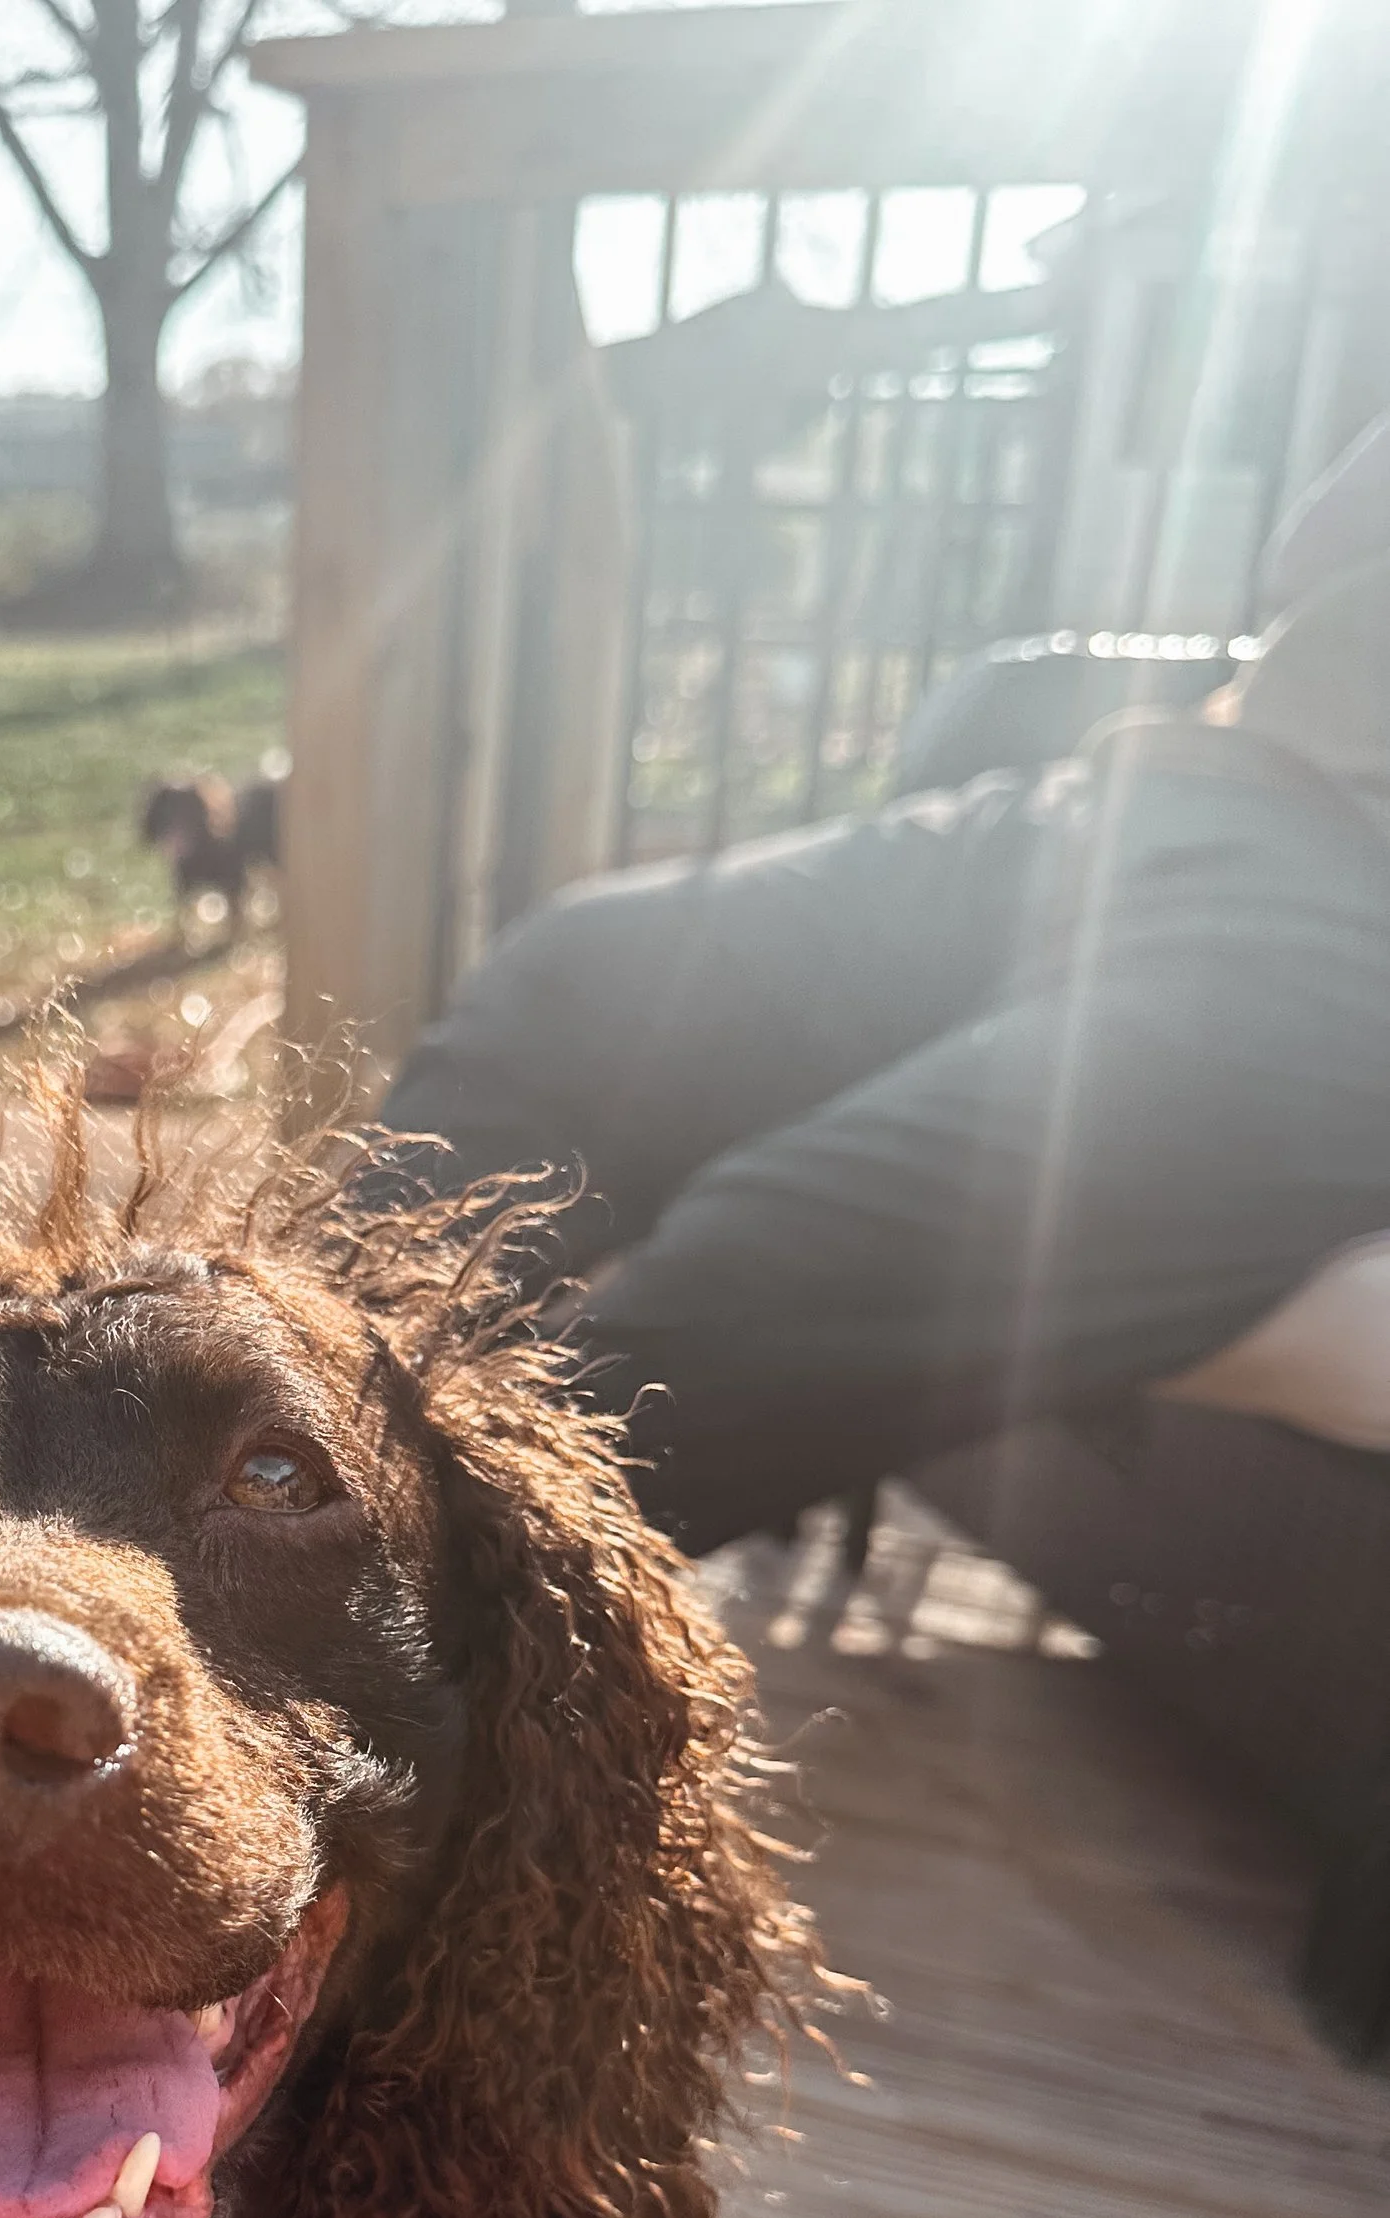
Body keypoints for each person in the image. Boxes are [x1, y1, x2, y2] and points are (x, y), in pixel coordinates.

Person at [382, 419, 1390, 1559]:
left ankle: (333, 1635)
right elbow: (1322, 546)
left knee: (775, 1259)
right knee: (581, 976)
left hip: (1354, 951)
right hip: (1171, 793)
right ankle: (231, 1448)